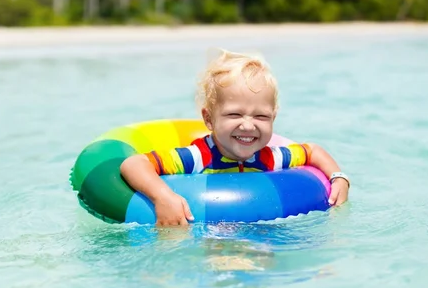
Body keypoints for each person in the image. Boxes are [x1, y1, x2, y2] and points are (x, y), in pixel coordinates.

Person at [120, 49, 350, 226]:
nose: (248, 125)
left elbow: (312, 151)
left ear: (273, 118)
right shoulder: (198, 156)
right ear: (209, 119)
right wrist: (163, 197)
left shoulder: (270, 157)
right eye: (234, 114)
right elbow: (133, 163)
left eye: (261, 116)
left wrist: (339, 178)